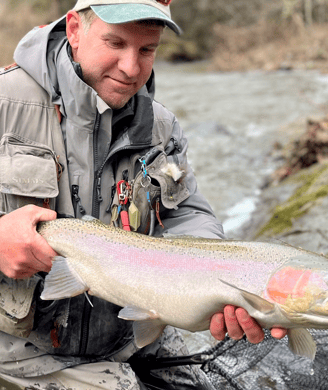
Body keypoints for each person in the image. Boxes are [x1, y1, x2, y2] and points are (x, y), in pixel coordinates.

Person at [0, 1, 287, 388]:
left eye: (146, 50)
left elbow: (187, 214)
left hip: (128, 334)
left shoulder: (161, 127)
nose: (131, 68)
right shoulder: (5, 102)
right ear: (74, 30)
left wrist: (216, 283)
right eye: (115, 43)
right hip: (17, 348)